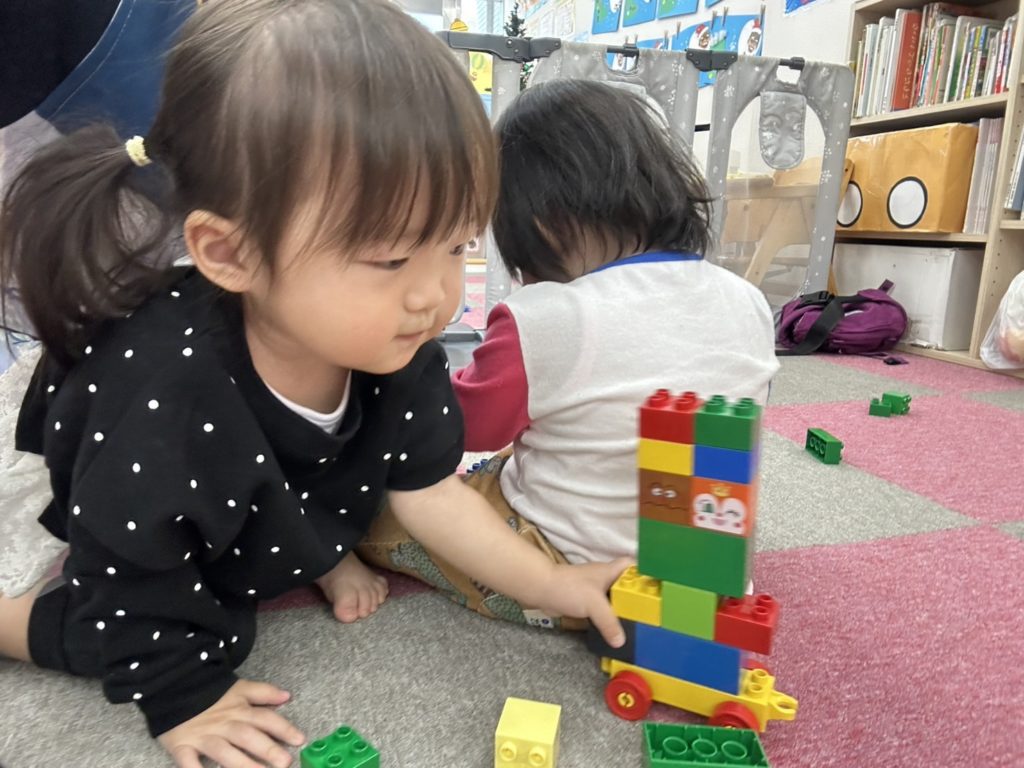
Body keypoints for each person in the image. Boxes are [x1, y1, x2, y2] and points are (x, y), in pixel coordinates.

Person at [0, 4, 629, 767]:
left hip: (256, 479)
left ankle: (309, 549)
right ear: (230, 254)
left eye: (456, 244)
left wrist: (552, 584)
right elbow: (125, 569)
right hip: (135, 524)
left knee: (347, 487)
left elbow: (432, 495)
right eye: (391, 259)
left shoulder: (393, 342)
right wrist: (184, 697)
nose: (434, 295)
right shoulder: (161, 396)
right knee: (149, 630)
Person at [437, 80, 778, 567]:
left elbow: (469, 427)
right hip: (702, 561)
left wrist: (408, 383)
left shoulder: (547, 315)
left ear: (542, 225)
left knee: (410, 502)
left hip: (564, 557)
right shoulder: (748, 299)